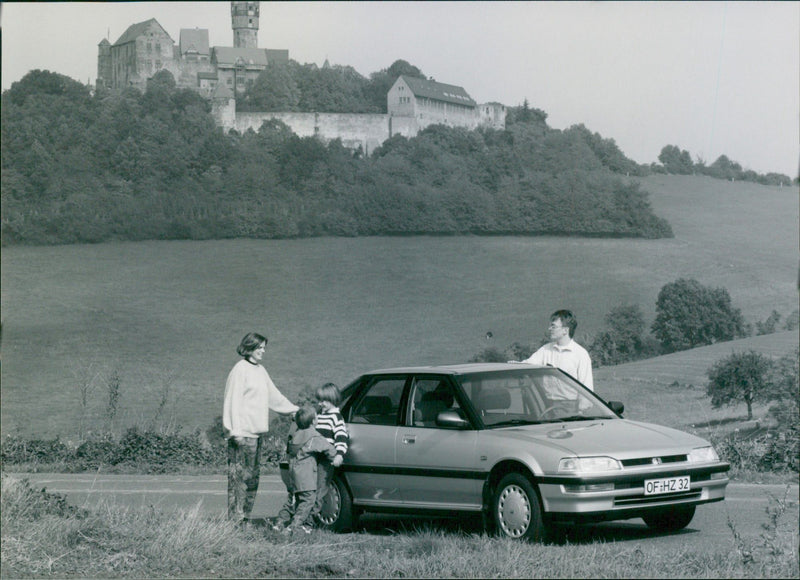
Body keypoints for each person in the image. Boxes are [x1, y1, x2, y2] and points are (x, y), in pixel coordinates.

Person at [222, 332, 299, 524]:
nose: (263, 351)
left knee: (253, 480)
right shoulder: (239, 370)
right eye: (259, 348)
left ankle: (245, 519)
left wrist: (294, 410)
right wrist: (235, 431)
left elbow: (274, 396)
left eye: (264, 348)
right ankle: (235, 522)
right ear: (249, 347)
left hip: (257, 435)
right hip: (242, 435)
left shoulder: (261, 371)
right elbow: (232, 401)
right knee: (239, 481)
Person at [275, 405, 337, 535]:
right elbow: (329, 448)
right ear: (314, 421)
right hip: (306, 477)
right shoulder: (314, 437)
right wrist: (336, 458)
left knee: (293, 500)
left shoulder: (295, 435)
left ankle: (279, 522)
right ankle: (295, 526)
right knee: (308, 500)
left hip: (293, 474)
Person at [513, 310, 594, 391]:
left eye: (553, 326)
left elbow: (586, 389)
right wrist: (513, 365)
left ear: (565, 330)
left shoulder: (581, 354)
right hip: (547, 399)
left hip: (572, 399)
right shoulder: (545, 350)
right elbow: (527, 365)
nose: (549, 329)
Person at [309, 382, 348, 526]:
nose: (321, 403)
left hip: (326, 459)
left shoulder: (336, 417)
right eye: (319, 400)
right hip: (313, 457)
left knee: (321, 488)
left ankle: (311, 518)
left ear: (333, 399)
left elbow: (341, 437)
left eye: (324, 400)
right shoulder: (319, 416)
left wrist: (339, 454)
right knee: (310, 487)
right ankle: (306, 516)